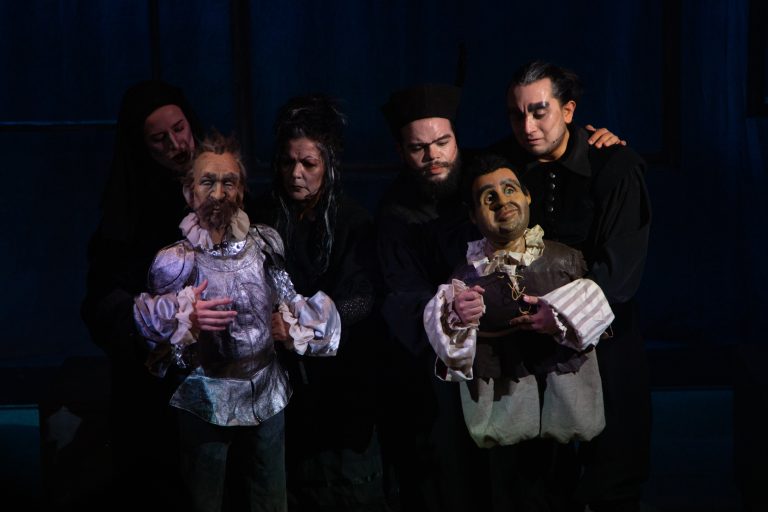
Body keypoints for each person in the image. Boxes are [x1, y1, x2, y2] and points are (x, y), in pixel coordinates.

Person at [375, 83, 626, 512]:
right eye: (419, 148)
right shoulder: (394, 215)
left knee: (536, 481)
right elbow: (400, 296)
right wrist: (449, 313)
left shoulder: (485, 170)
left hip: (529, 358)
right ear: (402, 151)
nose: (434, 155)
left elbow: (548, 142)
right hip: (452, 369)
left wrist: (592, 141)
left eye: (442, 142)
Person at [133, 130, 341, 512]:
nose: (219, 193)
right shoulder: (177, 260)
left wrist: (291, 324)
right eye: (207, 182)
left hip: (266, 390)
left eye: (229, 182)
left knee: (270, 499)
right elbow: (156, 344)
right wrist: (186, 324)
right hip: (205, 397)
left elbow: (287, 296)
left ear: (241, 190)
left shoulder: (265, 243)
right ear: (189, 192)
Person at [491, 60, 653, 512]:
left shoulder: (615, 166)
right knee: (535, 485)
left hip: (607, 345)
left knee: (612, 480)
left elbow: (620, 271)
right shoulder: (502, 167)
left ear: (568, 111)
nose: (527, 126)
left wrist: (560, 315)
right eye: (516, 114)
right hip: (530, 355)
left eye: (539, 111)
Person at [423, 152, 614, 510]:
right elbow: (447, 340)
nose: (502, 201)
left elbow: (597, 315)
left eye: (510, 189)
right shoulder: (466, 276)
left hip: (560, 400)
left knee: (561, 487)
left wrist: (562, 318)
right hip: (504, 406)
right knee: (508, 490)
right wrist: (460, 315)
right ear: (473, 215)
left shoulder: (565, 260)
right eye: (489, 197)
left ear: (527, 196)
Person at [251, 94, 389, 512]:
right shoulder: (260, 218)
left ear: (328, 165)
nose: (296, 174)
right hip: (278, 386)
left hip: (340, 387)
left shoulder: (352, 221)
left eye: (308, 164)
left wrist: (300, 324)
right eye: (288, 162)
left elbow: (361, 297)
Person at [80, 79, 207, 510]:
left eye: (180, 129)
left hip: (219, 380)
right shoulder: (126, 214)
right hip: (155, 392)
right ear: (142, 146)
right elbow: (99, 306)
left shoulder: (221, 187)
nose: (176, 145)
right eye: (159, 139)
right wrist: (151, 315)